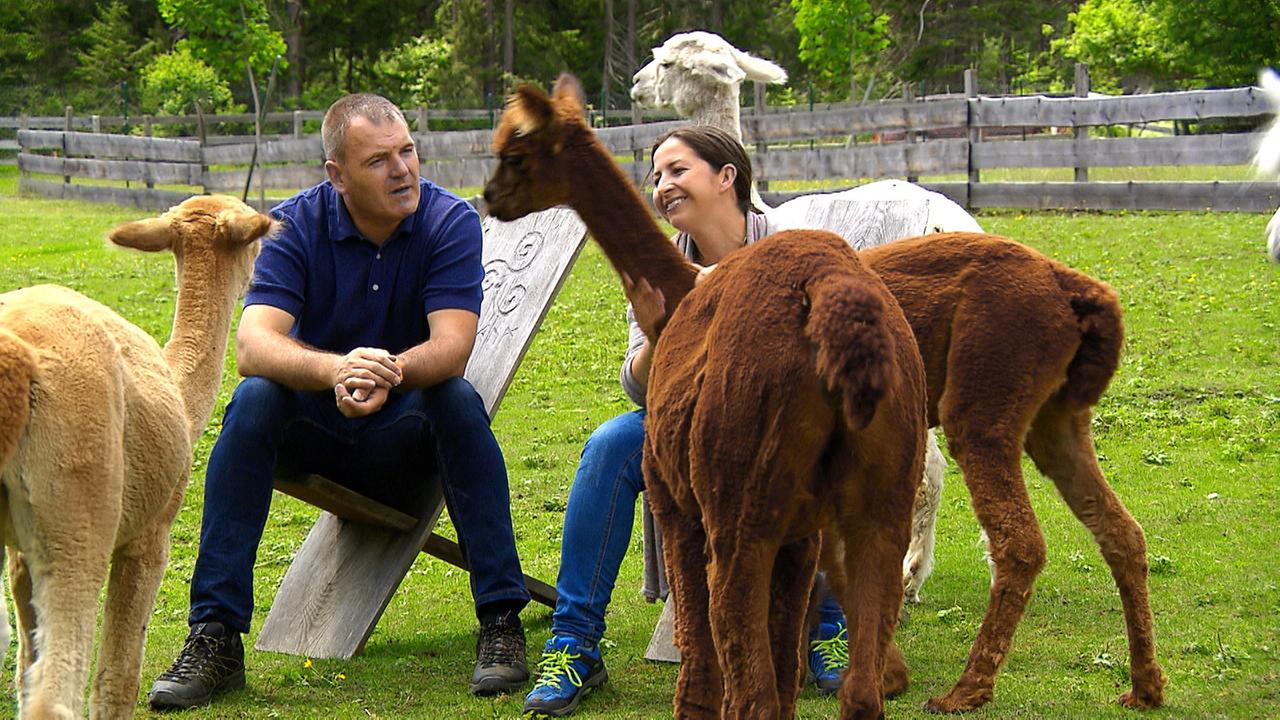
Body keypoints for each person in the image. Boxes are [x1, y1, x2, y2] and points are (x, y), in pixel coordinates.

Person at [147, 93, 531, 711]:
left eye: (407, 151)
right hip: (318, 432)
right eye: (379, 160)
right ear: (337, 175)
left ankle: (502, 623)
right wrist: (336, 370)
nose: (403, 170)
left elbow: (453, 345)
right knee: (254, 399)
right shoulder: (295, 223)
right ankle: (215, 637)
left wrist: (390, 370)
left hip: (407, 436)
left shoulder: (448, 220)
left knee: (457, 399)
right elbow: (253, 344)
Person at [522, 125, 850, 717]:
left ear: (727, 177)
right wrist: (657, 328)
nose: (662, 185)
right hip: (695, 428)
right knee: (610, 447)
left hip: (788, 423)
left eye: (677, 170)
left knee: (824, 443)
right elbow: (638, 385)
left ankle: (829, 621)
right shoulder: (656, 264)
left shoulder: (797, 247)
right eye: (656, 176)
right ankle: (575, 644)